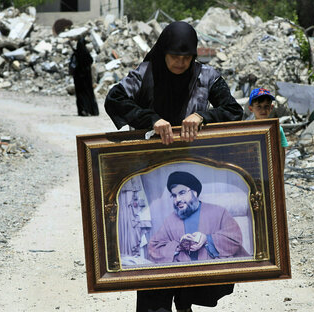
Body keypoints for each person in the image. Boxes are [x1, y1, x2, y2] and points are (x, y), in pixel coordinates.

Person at [104, 21, 243, 312]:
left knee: (196, 278)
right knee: (156, 253)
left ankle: (186, 301)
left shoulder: (207, 77)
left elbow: (233, 110)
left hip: (195, 163)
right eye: (174, 56)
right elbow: (114, 99)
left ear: (194, 55)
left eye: (186, 57)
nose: (180, 62)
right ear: (163, 52)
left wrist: (204, 116)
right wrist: (150, 119)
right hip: (152, 172)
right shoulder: (146, 73)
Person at [148, 171, 250, 263]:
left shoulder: (218, 212)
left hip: (215, 271)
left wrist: (207, 239)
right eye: (174, 196)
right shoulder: (170, 221)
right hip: (184, 274)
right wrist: (179, 246)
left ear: (195, 193)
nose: (177, 199)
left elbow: (235, 239)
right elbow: (153, 249)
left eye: (182, 193)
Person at [248, 88, 288, 164]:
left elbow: (282, 154)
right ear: (251, 108)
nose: (263, 110)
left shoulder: (277, 129)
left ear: (271, 107)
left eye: (266, 106)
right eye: (259, 107)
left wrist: (280, 173)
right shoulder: (247, 130)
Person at [70, 37, 99, 116]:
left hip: (78, 79)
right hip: (86, 79)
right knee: (88, 94)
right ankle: (91, 111)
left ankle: (82, 110)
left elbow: (73, 65)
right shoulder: (86, 54)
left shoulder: (76, 55)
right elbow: (90, 60)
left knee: (80, 95)